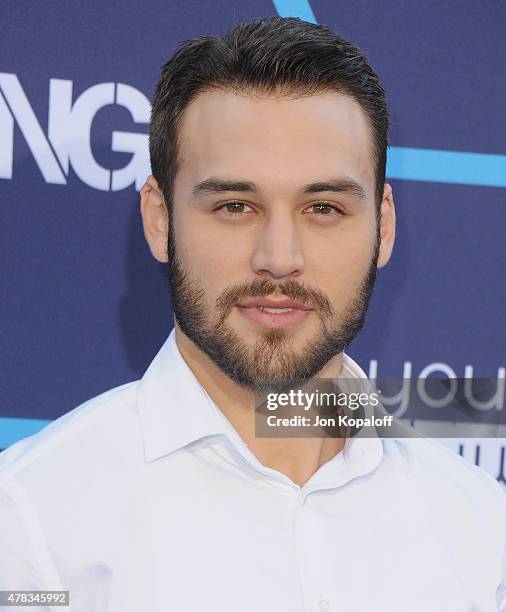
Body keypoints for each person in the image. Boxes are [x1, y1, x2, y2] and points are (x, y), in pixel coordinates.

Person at [0, 15, 504, 612]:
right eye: (236, 205)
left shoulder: (480, 528)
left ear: (384, 226)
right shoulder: (31, 516)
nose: (280, 259)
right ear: (160, 219)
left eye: (323, 208)